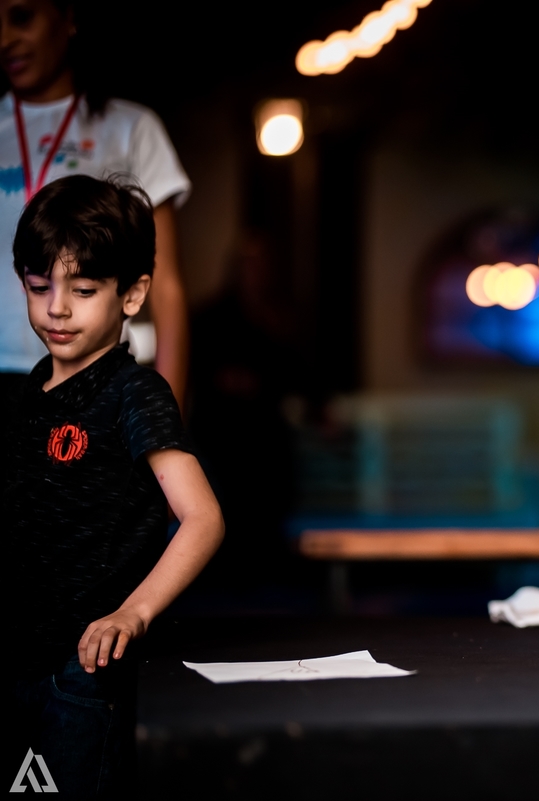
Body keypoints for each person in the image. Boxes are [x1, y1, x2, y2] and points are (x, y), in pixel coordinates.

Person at [2, 175, 222, 797]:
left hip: (81, 673)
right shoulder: (19, 396)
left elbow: (202, 518)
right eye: (39, 287)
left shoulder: (134, 392)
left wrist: (135, 611)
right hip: (14, 659)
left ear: (132, 294)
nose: (58, 309)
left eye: (84, 289)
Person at [0, 0, 190, 404]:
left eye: (21, 17)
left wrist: (166, 414)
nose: (4, 40)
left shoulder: (130, 128)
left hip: (99, 383)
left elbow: (166, 284)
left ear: (68, 16)